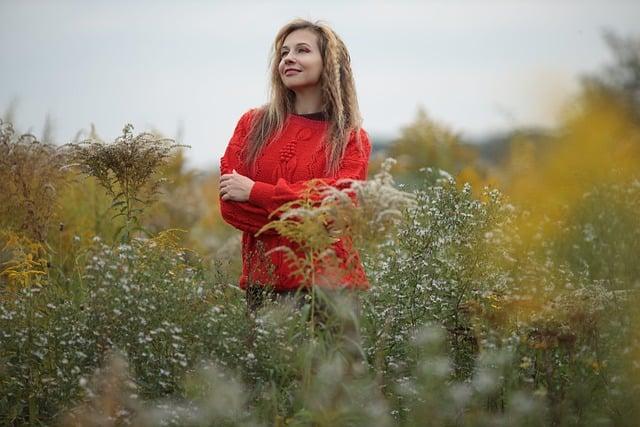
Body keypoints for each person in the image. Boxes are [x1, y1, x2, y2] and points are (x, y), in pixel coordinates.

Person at [218, 18, 371, 313]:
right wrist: (309, 220)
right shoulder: (252, 125)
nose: (289, 58)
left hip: (333, 287)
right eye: (284, 52)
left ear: (328, 62)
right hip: (264, 287)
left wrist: (255, 192)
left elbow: (338, 207)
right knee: (267, 361)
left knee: (334, 362)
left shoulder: (351, 138)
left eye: (302, 50)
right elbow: (231, 208)